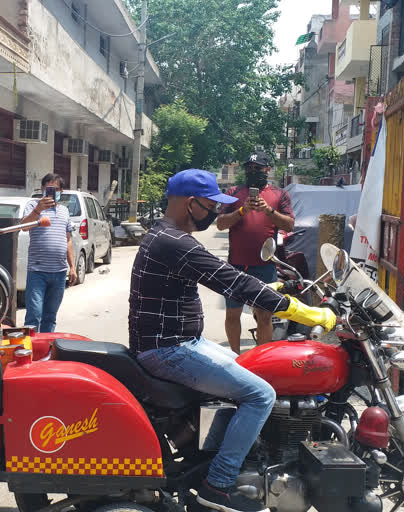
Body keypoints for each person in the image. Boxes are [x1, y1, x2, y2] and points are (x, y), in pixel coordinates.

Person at [129, 169, 336, 512]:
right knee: (261, 394)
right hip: (169, 350)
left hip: (175, 343)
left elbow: (232, 277)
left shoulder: (166, 235)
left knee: (252, 367)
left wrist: (273, 289)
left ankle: (237, 458)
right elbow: (229, 281)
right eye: (211, 205)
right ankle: (220, 484)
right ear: (190, 203)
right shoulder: (174, 242)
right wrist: (302, 312)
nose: (214, 213)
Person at [217, 153, 295, 352]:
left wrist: (268, 210)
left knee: (265, 315)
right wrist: (242, 211)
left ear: (268, 170)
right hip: (236, 265)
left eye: (258, 168)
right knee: (232, 314)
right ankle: (235, 358)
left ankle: (262, 358)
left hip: (265, 266)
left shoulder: (280, 195)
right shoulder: (233, 192)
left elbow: (289, 224)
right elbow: (220, 224)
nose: (253, 172)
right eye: (250, 168)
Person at [20, 173, 77, 332]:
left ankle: (45, 352)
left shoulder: (64, 211)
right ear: (42, 189)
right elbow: (24, 226)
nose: (53, 192)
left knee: (50, 316)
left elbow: (68, 240)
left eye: (56, 189)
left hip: (59, 272)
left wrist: (72, 267)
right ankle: (29, 351)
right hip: (38, 272)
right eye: (49, 189)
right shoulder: (33, 206)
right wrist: (38, 210)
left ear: (61, 192)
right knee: (34, 315)